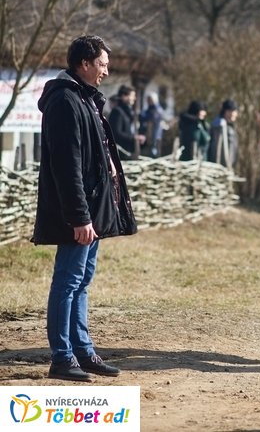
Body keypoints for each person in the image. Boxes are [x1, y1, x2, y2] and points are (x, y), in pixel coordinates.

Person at [32, 35, 137, 382]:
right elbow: (67, 165)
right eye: (103, 64)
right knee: (68, 280)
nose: (107, 70)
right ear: (85, 64)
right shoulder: (65, 101)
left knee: (82, 281)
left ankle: (82, 350)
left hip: (90, 211)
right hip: (79, 214)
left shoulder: (84, 98)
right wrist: (79, 216)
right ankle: (62, 357)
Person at [108, 85, 144, 160]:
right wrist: (134, 138)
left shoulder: (128, 112)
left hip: (127, 150)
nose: (134, 98)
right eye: (132, 95)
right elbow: (116, 133)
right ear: (124, 96)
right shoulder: (117, 112)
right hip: (120, 152)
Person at [208, 99, 240, 168]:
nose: (233, 114)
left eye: (234, 111)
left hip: (227, 167)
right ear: (225, 111)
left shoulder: (229, 126)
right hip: (220, 168)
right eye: (230, 111)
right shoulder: (220, 125)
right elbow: (216, 149)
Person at [138, 92, 164, 158]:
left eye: (150, 100)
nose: (148, 101)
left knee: (154, 152)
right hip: (148, 134)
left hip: (155, 134)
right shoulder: (150, 108)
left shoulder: (158, 110)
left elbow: (151, 119)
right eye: (148, 100)